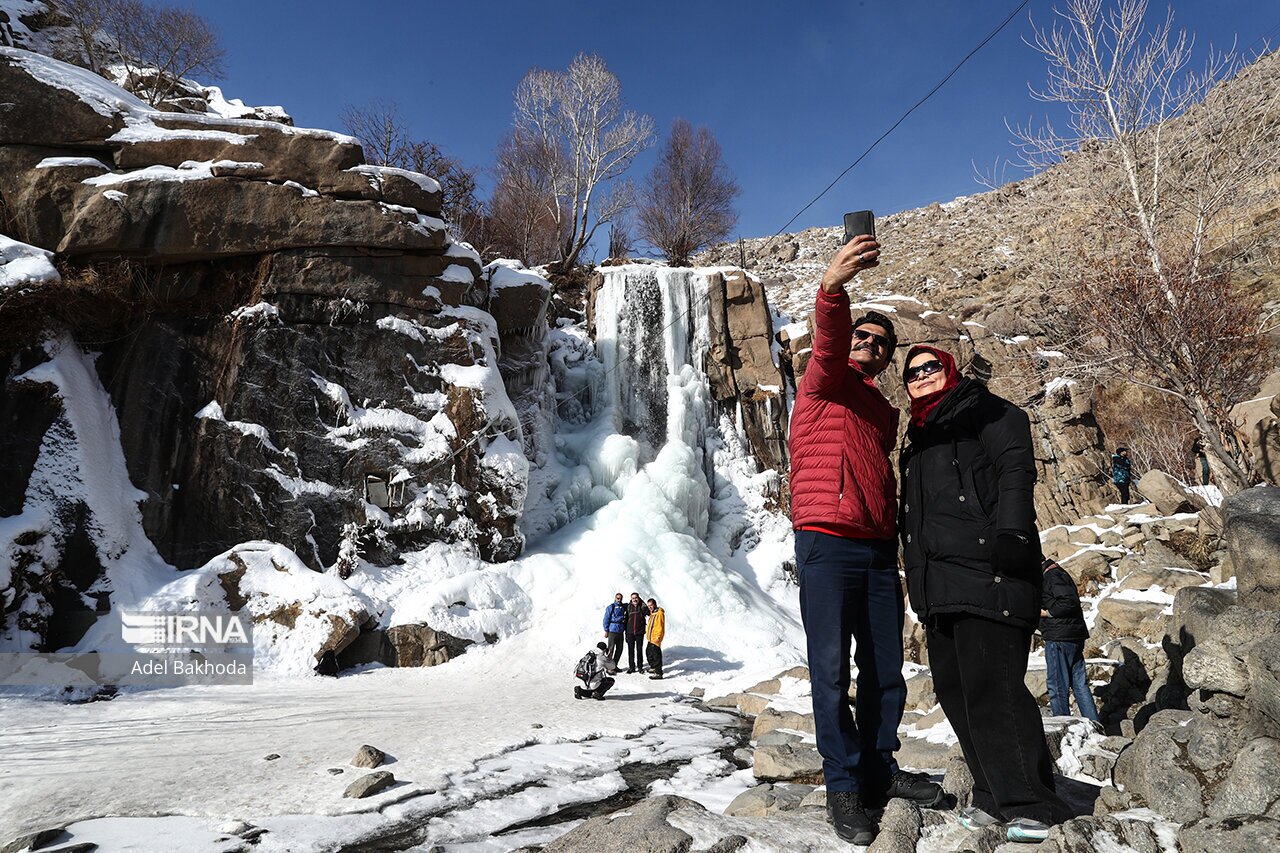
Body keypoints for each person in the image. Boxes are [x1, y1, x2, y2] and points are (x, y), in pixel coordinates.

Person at [787, 236, 943, 845]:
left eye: (881, 342)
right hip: (825, 541)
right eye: (864, 337)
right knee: (829, 671)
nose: (871, 346)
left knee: (884, 670)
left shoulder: (883, 410)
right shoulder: (820, 382)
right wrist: (833, 289)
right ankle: (843, 786)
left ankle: (879, 766)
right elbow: (828, 340)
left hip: (877, 551)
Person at [898, 345, 1072, 843]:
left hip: (989, 571)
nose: (921, 376)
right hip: (938, 586)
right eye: (911, 373)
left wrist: (1012, 537)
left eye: (931, 366)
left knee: (993, 688)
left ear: (950, 370)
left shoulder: (989, 411)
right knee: (957, 694)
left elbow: (1016, 472)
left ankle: (1032, 802)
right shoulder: (917, 439)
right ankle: (994, 796)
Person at [1040, 558, 1099, 723]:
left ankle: (1064, 727)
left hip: (1060, 637)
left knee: (1057, 687)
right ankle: (1095, 726)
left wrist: (1046, 613)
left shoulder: (1051, 576)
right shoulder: (1057, 573)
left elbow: (1068, 602)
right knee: (1079, 685)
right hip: (1072, 635)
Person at [624, 592, 649, 673]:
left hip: (639, 632)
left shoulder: (642, 606)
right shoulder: (628, 607)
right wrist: (626, 634)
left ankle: (640, 667)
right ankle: (631, 667)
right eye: (633, 598)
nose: (635, 599)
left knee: (639, 650)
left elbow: (649, 613)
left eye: (636, 598)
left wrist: (643, 603)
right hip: (630, 632)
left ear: (639, 598)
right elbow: (626, 621)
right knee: (630, 650)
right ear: (631, 599)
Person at [602, 592, 626, 665]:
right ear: (615, 598)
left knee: (620, 649)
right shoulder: (610, 607)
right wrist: (606, 630)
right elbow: (606, 619)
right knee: (610, 649)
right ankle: (609, 667)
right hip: (612, 630)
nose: (619, 600)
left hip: (620, 631)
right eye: (618, 598)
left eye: (620, 598)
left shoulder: (624, 607)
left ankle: (614, 665)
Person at [644, 598, 665, 679]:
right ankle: (653, 667)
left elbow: (660, 626)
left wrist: (658, 637)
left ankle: (658, 672)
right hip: (650, 638)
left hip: (655, 638)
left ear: (655, 604)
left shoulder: (659, 613)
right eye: (648, 606)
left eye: (651, 605)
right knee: (649, 653)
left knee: (656, 656)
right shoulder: (653, 613)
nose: (650, 607)